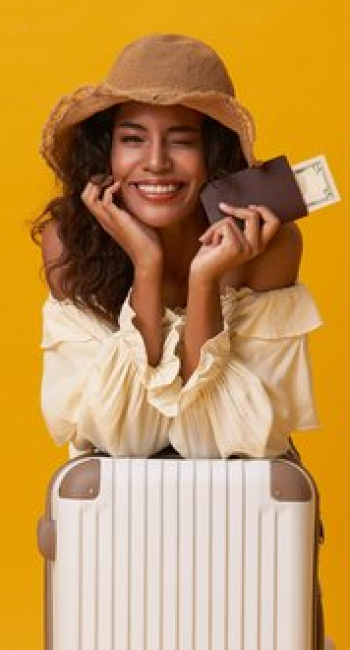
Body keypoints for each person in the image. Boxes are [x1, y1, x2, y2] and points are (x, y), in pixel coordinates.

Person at [32, 33, 322, 460]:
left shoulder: (268, 248)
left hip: (240, 507)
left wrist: (203, 280)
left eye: (182, 140)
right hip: (115, 513)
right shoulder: (69, 244)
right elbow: (123, 439)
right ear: (107, 152)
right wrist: (147, 265)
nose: (156, 161)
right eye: (133, 139)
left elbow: (218, 441)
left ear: (214, 151)